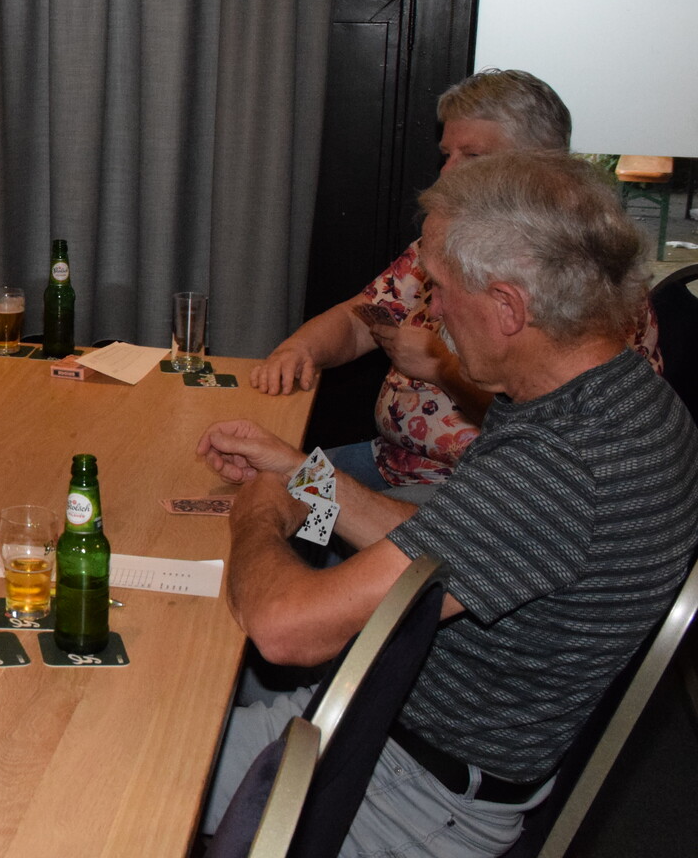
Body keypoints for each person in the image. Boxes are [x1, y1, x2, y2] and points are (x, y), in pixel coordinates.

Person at [199, 151, 698, 856]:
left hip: (401, 787)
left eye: (438, 288)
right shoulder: (607, 397)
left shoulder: (560, 467)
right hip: (390, 720)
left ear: (508, 306)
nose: (428, 312)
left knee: (123, 755)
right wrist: (299, 475)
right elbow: (438, 548)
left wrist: (257, 512)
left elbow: (285, 630)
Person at [253, 69, 659, 491]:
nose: (448, 173)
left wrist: (442, 368)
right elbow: (361, 316)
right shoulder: (454, 242)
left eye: (473, 157)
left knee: (278, 504)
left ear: (539, 166)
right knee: (257, 482)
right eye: (447, 155)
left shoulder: (580, 284)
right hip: (391, 462)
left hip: (467, 488)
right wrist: (299, 349)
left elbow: (547, 435)